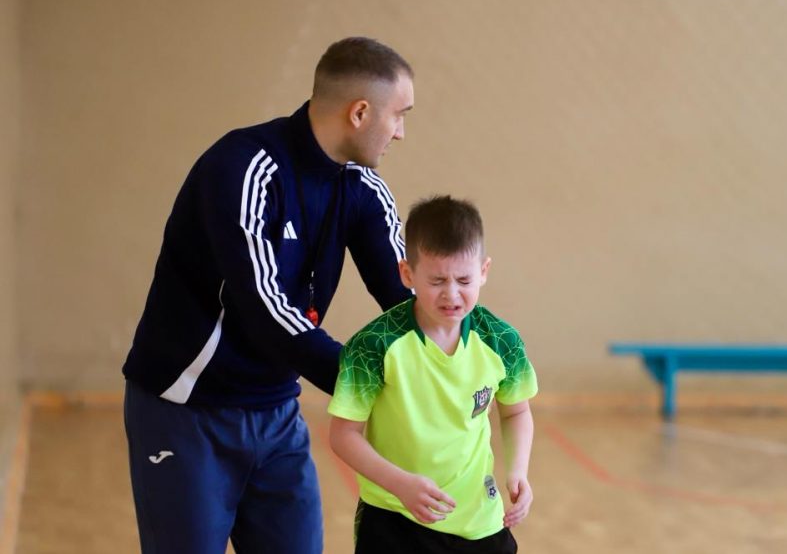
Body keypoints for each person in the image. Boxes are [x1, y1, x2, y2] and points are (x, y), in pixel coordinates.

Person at [122, 37, 416, 554]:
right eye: (399, 115)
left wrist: (468, 358)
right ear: (360, 112)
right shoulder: (242, 168)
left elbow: (408, 297)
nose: (401, 132)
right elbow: (265, 308)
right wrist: (367, 383)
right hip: (187, 413)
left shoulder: (363, 188)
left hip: (278, 415)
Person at [329, 195, 538, 554]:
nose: (451, 294)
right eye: (437, 280)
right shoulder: (374, 345)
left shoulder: (501, 340)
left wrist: (518, 471)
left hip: (479, 520)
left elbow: (516, 411)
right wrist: (400, 485)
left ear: (484, 271)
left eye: (464, 280)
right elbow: (343, 435)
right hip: (395, 518)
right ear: (407, 274)